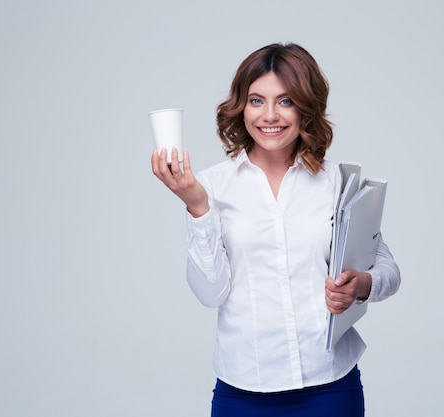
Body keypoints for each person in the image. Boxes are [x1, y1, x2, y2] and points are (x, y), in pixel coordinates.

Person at [151, 42, 401, 417]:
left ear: (306, 108)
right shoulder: (211, 187)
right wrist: (198, 207)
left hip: (330, 385)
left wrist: (360, 285)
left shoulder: (336, 182)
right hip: (243, 391)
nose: (270, 115)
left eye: (285, 101)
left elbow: (388, 271)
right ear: (241, 106)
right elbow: (210, 293)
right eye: (256, 100)